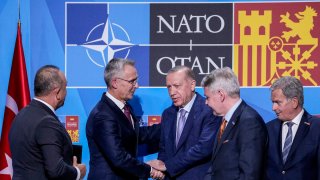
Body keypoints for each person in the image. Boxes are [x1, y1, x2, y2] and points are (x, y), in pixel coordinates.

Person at [86, 58, 163, 180]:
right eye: (132, 81)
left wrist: (170, 126)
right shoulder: (103, 115)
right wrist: (150, 170)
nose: (136, 85)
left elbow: (134, 135)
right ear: (115, 83)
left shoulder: (125, 108)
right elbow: (118, 157)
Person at [9, 65, 86, 180]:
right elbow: (56, 170)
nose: (66, 93)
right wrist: (77, 172)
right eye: (66, 87)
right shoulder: (46, 122)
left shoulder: (20, 115)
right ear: (58, 93)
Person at [147, 66, 220, 179]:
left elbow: (203, 149)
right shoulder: (168, 114)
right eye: (169, 87)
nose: (172, 92)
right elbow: (164, 149)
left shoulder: (209, 110)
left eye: (176, 86)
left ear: (192, 85)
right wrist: (161, 170)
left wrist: (167, 166)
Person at [202, 67, 268, 180]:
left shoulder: (249, 122)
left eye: (207, 97)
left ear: (221, 95)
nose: (206, 102)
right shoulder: (225, 120)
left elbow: (249, 174)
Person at [265, 76, 320, 180]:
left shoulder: (317, 128)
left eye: (278, 102)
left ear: (294, 102)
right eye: (273, 102)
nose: (273, 108)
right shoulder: (268, 129)